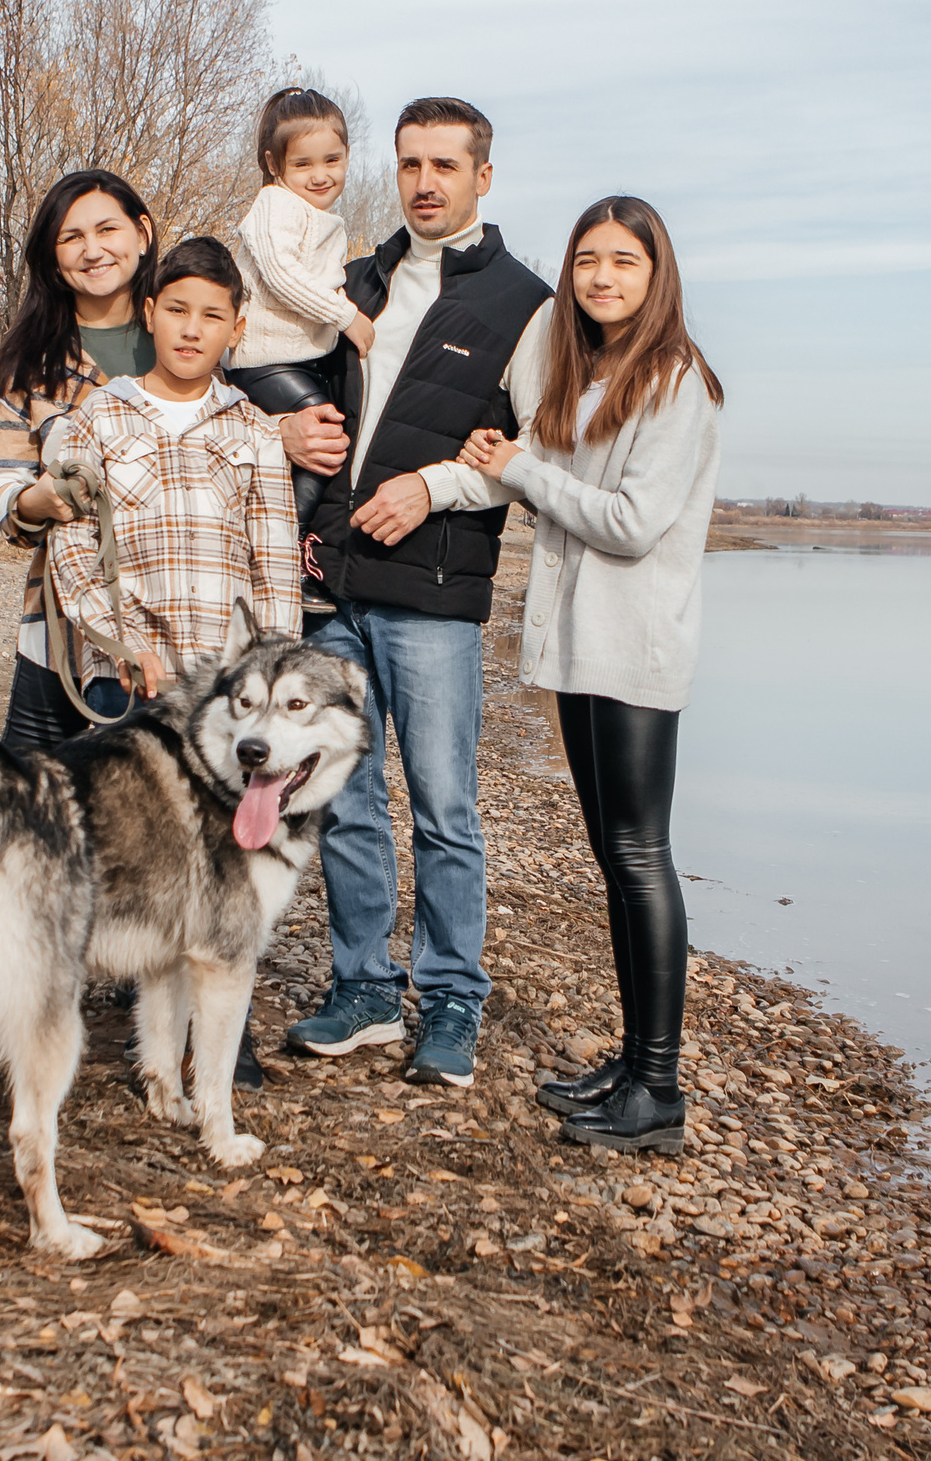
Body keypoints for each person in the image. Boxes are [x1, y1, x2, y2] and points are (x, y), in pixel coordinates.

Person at [276, 97, 554, 1090]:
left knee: (443, 809)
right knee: (344, 799)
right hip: (336, 590)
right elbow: (290, 393)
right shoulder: (357, 281)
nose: (425, 182)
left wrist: (433, 485)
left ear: (484, 175)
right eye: (409, 164)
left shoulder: (525, 302)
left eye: (445, 164)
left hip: (434, 595)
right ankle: (362, 988)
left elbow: (536, 456)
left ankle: (450, 1002)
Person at [456, 196, 722, 1152]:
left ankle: (659, 1088)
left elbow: (630, 522)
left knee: (641, 855)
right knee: (615, 857)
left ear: (659, 276)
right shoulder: (589, 370)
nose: (602, 277)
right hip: (580, 646)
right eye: (587, 261)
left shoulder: (675, 379)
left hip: (637, 647)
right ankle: (633, 1062)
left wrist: (524, 469)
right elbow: (542, 423)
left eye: (624, 262)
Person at [41, 236, 303, 703]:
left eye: (212, 316)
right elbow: (73, 543)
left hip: (224, 687)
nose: (192, 330)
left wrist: (268, 675)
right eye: (177, 311)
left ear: (236, 329)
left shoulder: (257, 431)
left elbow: (276, 568)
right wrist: (121, 643)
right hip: (124, 675)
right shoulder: (101, 414)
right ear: (149, 313)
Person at [0, 169, 161, 753]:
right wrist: (31, 501)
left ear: (143, 233)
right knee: (28, 798)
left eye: (107, 229)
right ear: (52, 257)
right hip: (61, 615)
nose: (92, 250)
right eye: (70, 237)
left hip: (172, 615)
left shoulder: (191, 332)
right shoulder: (29, 362)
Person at [224, 87, 376, 606]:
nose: (321, 174)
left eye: (332, 160)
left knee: (314, 447)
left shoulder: (319, 215)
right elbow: (282, 275)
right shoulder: (274, 206)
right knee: (321, 426)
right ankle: (280, 554)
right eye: (304, 163)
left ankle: (287, 547)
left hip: (295, 356)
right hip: (260, 358)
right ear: (274, 164)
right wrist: (346, 316)